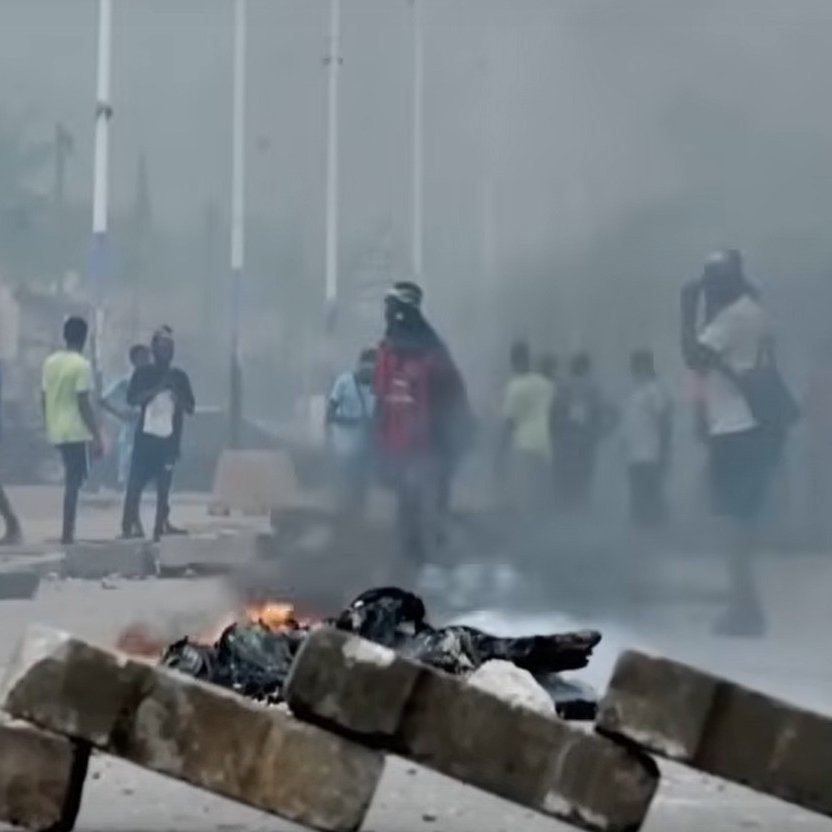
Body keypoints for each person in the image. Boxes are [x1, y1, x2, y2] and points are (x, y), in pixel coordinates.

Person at [682, 249, 794, 636]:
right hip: (748, 427)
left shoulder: (732, 318)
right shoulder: (754, 310)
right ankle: (745, 605)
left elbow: (693, 356)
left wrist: (686, 307)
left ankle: (745, 609)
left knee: (732, 524)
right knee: (739, 523)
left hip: (736, 428)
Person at [374, 281, 472, 564]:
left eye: (390, 308)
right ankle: (411, 550)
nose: (387, 314)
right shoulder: (387, 350)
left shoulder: (434, 353)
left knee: (427, 497)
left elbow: (452, 398)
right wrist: (379, 440)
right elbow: (382, 399)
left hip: (428, 441)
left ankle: (432, 549)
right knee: (406, 500)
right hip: (399, 441)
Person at [121, 326, 194, 541]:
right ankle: (128, 525)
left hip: (169, 440)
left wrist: (177, 398)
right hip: (146, 439)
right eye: (162, 347)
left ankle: (160, 525)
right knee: (135, 484)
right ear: (154, 349)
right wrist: (157, 390)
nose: (166, 351)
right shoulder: (143, 374)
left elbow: (190, 407)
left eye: (169, 347)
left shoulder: (179, 376)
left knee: (164, 486)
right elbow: (132, 399)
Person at [41, 316, 103, 544]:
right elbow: (83, 402)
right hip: (76, 431)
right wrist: (97, 435)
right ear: (84, 338)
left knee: (73, 478)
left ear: (64, 336)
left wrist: (47, 422)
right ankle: (68, 532)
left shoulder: (50, 362)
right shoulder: (82, 365)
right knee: (74, 482)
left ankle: (68, 530)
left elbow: (44, 397)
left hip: (56, 428)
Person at [550, 352, 615, 510]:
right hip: (582, 439)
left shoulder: (564, 388)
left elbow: (553, 413)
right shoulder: (589, 388)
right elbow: (609, 412)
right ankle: (578, 504)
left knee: (568, 474)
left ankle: (569, 504)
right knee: (581, 475)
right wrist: (602, 431)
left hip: (569, 439)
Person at [498, 341, 554, 514]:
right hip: (545, 446)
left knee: (525, 497)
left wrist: (499, 453)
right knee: (541, 495)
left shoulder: (515, 386)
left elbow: (510, 423)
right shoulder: (545, 384)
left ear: (513, 361)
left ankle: (526, 531)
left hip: (524, 447)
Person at [621, 349, 673, 529]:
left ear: (645, 366)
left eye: (636, 366)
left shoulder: (654, 389)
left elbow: (664, 420)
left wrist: (664, 451)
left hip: (650, 453)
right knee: (638, 499)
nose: (633, 370)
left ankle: (658, 534)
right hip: (635, 454)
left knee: (650, 497)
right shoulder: (636, 390)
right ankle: (642, 537)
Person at [326, 348, 376, 520]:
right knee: (347, 478)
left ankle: (358, 516)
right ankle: (343, 512)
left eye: (372, 368)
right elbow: (330, 414)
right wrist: (352, 421)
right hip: (344, 442)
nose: (368, 372)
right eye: (366, 367)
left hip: (366, 444)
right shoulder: (344, 382)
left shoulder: (380, 385)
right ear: (359, 365)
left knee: (362, 481)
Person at [101, 344, 151, 490]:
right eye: (143, 357)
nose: (147, 361)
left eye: (147, 357)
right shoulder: (126, 381)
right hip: (132, 428)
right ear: (134, 360)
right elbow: (103, 400)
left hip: (151, 428)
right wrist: (120, 413)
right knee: (129, 463)